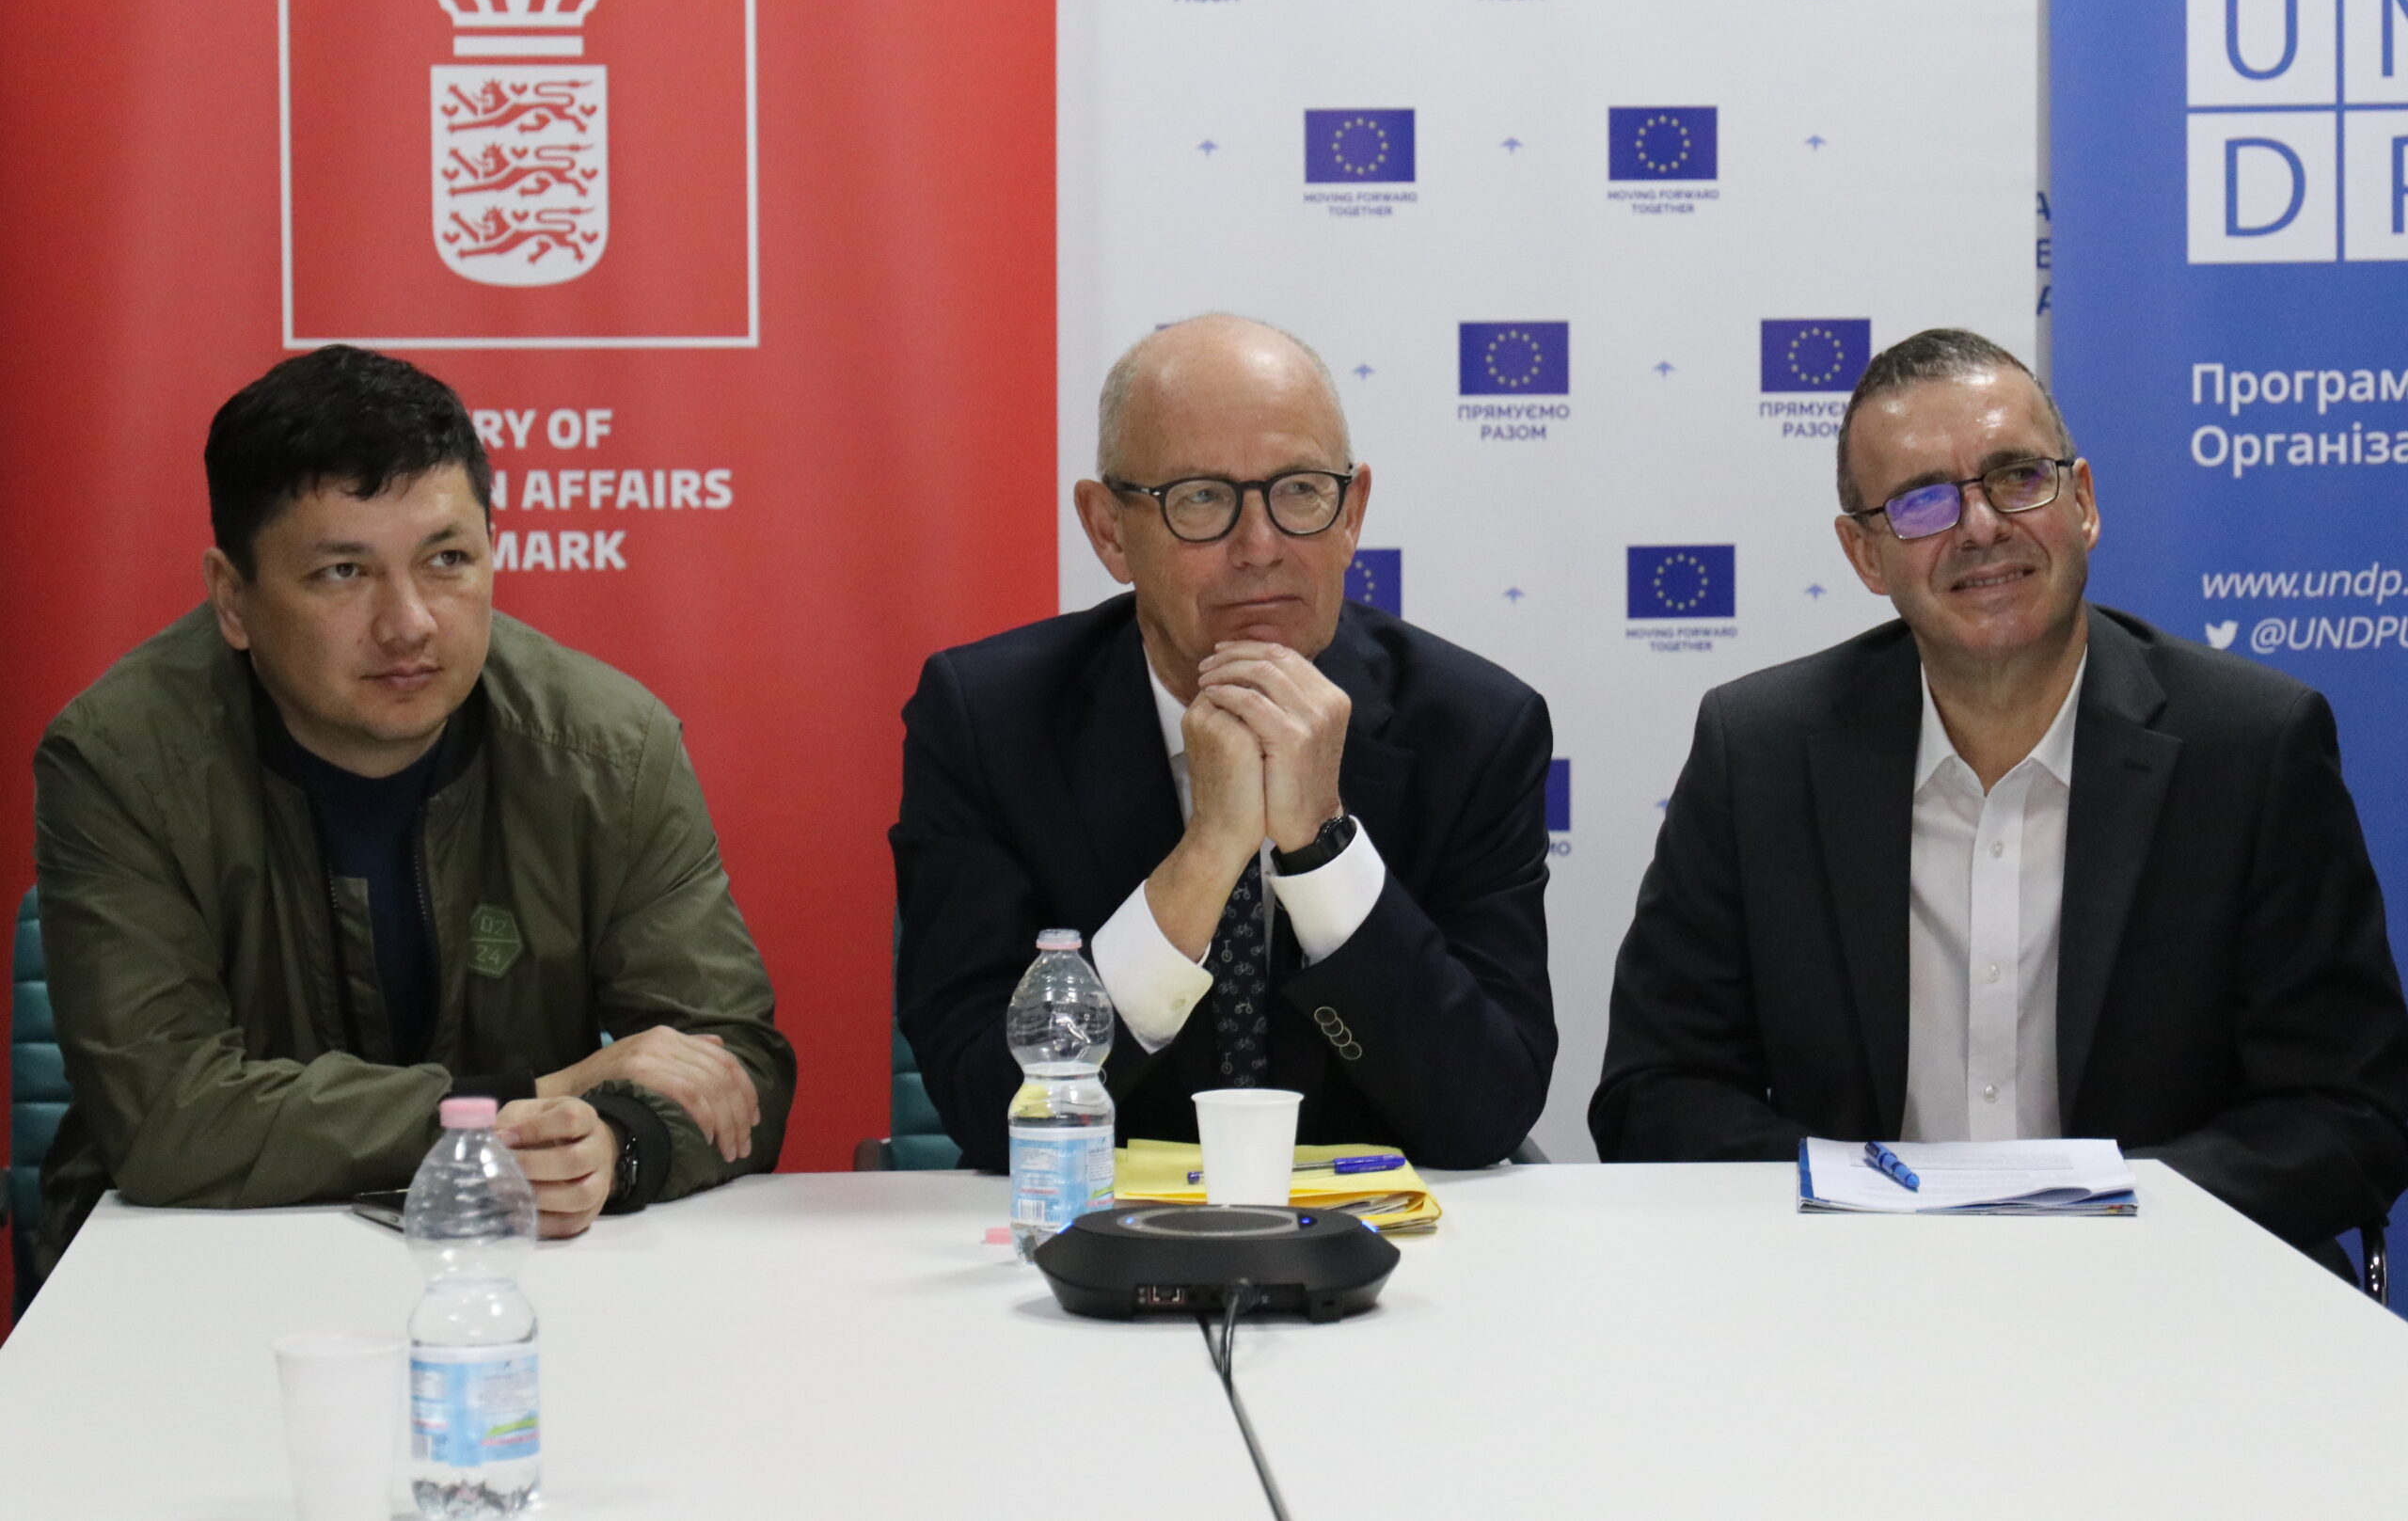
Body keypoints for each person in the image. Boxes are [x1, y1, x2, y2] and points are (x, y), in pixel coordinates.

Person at [1592, 327, 2408, 1262]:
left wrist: (2100, 1211)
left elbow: (2350, 1108)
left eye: (2018, 477)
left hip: (2168, 1288)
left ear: (2083, 502)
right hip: (1851, 1291)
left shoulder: (2251, 746)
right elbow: (1656, 1091)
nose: (1981, 526)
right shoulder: (1759, 753)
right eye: (1922, 501)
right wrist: (1873, 1210)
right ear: (1864, 554)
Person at [30, 345, 795, 1287]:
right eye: (343, 572)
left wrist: (614, 1142)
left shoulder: (609, 749)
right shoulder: (121, 761)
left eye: (447, 561)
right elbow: (169, 1117)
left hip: (521, 1274)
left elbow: (730, 1061)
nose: (410, 622)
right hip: (187, 1270)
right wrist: (526, 1099)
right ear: (233, 600)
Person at [892, 313, 1555, 1171]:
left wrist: (1320, 846)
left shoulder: (1474, 729)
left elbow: (1485, 1114)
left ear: (1352, 513)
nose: (1261, 548)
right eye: (1201, 498)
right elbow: (989, 1108)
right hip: (1089, 1232)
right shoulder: (990, 722)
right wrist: (1207, 856)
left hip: (1382, 1243)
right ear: (1108, 528)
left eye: (1301, 491)